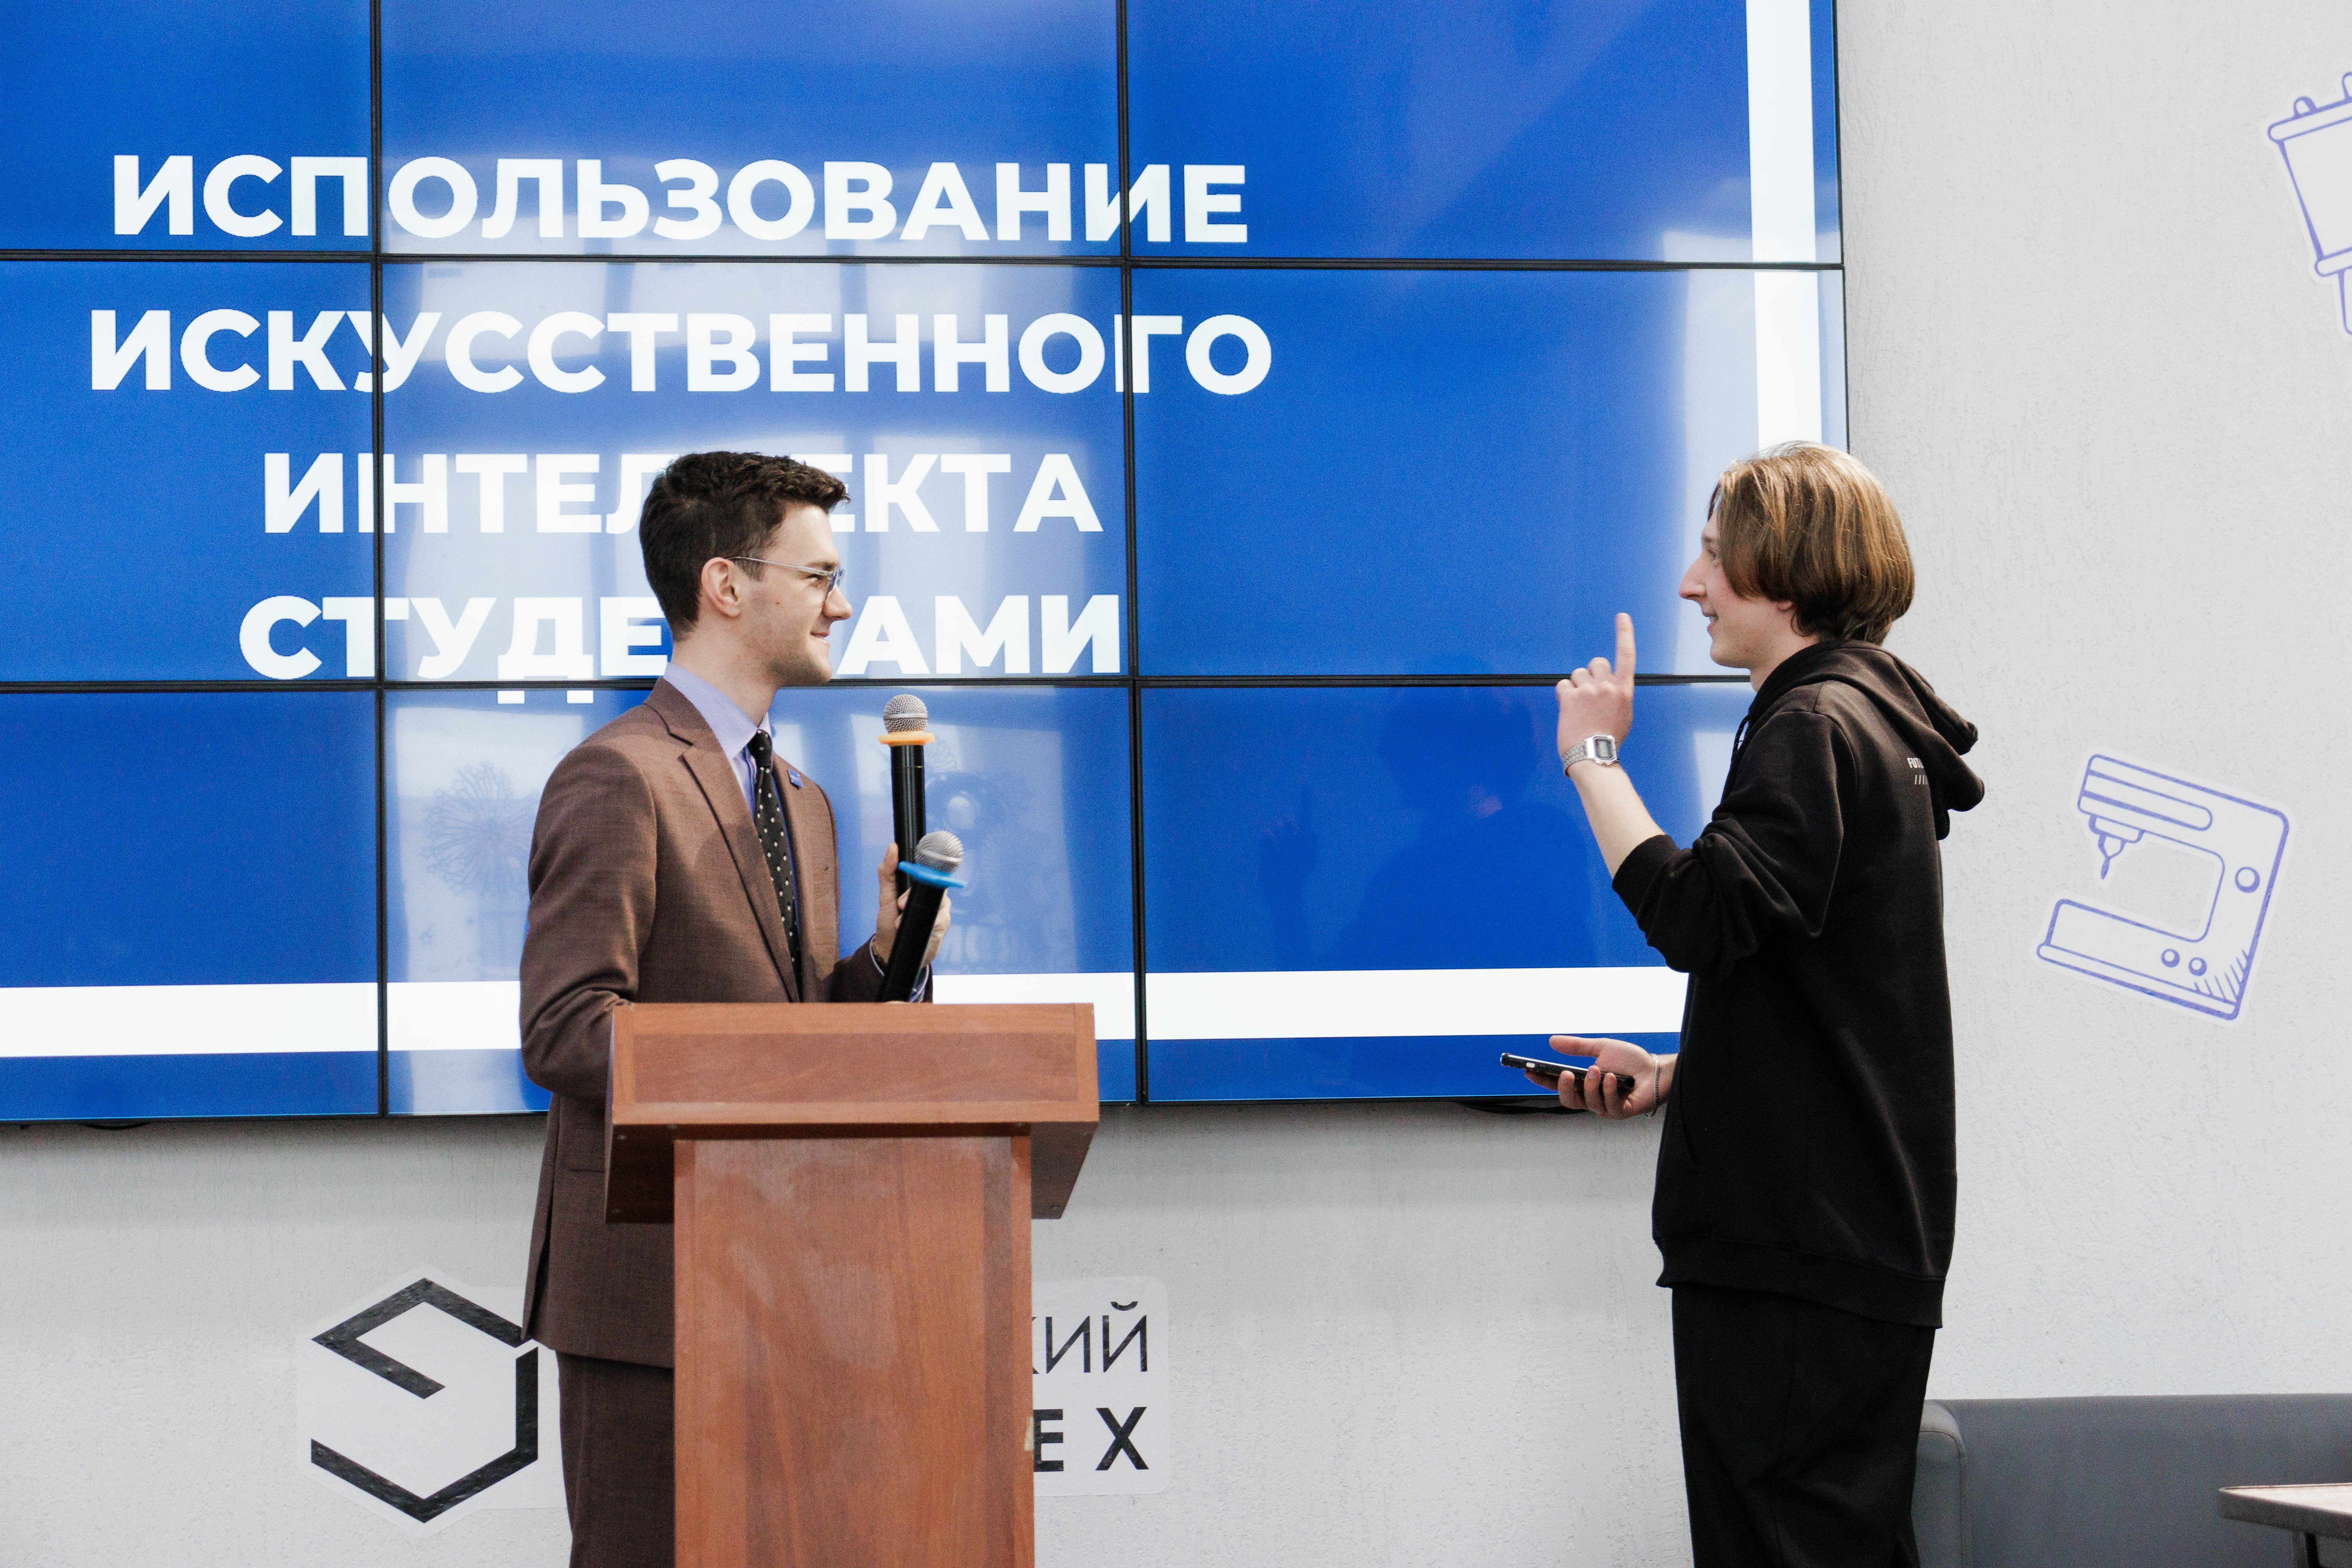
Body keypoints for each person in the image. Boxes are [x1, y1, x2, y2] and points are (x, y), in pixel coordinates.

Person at [1541, 442, 1982, 1567]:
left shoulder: (1812, 725)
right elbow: (1834, 997)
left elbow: (1698, 914)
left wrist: (1594, 757)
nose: (1692, 585)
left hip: (1797, 1252)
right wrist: (1679, 1076)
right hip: (1843, 1247)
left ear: (1786, 576)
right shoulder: (1867, 726)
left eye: (1714, 557)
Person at [516, 450, 949, 1568]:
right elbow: (566, 1027)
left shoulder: (803, 800)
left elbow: (802, 1035)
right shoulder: (618, 775)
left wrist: (884, 962)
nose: (840, 605)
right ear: (725, 585)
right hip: (651, 1294)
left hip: (796, 1278)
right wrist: (756, 1063)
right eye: (819, 577)